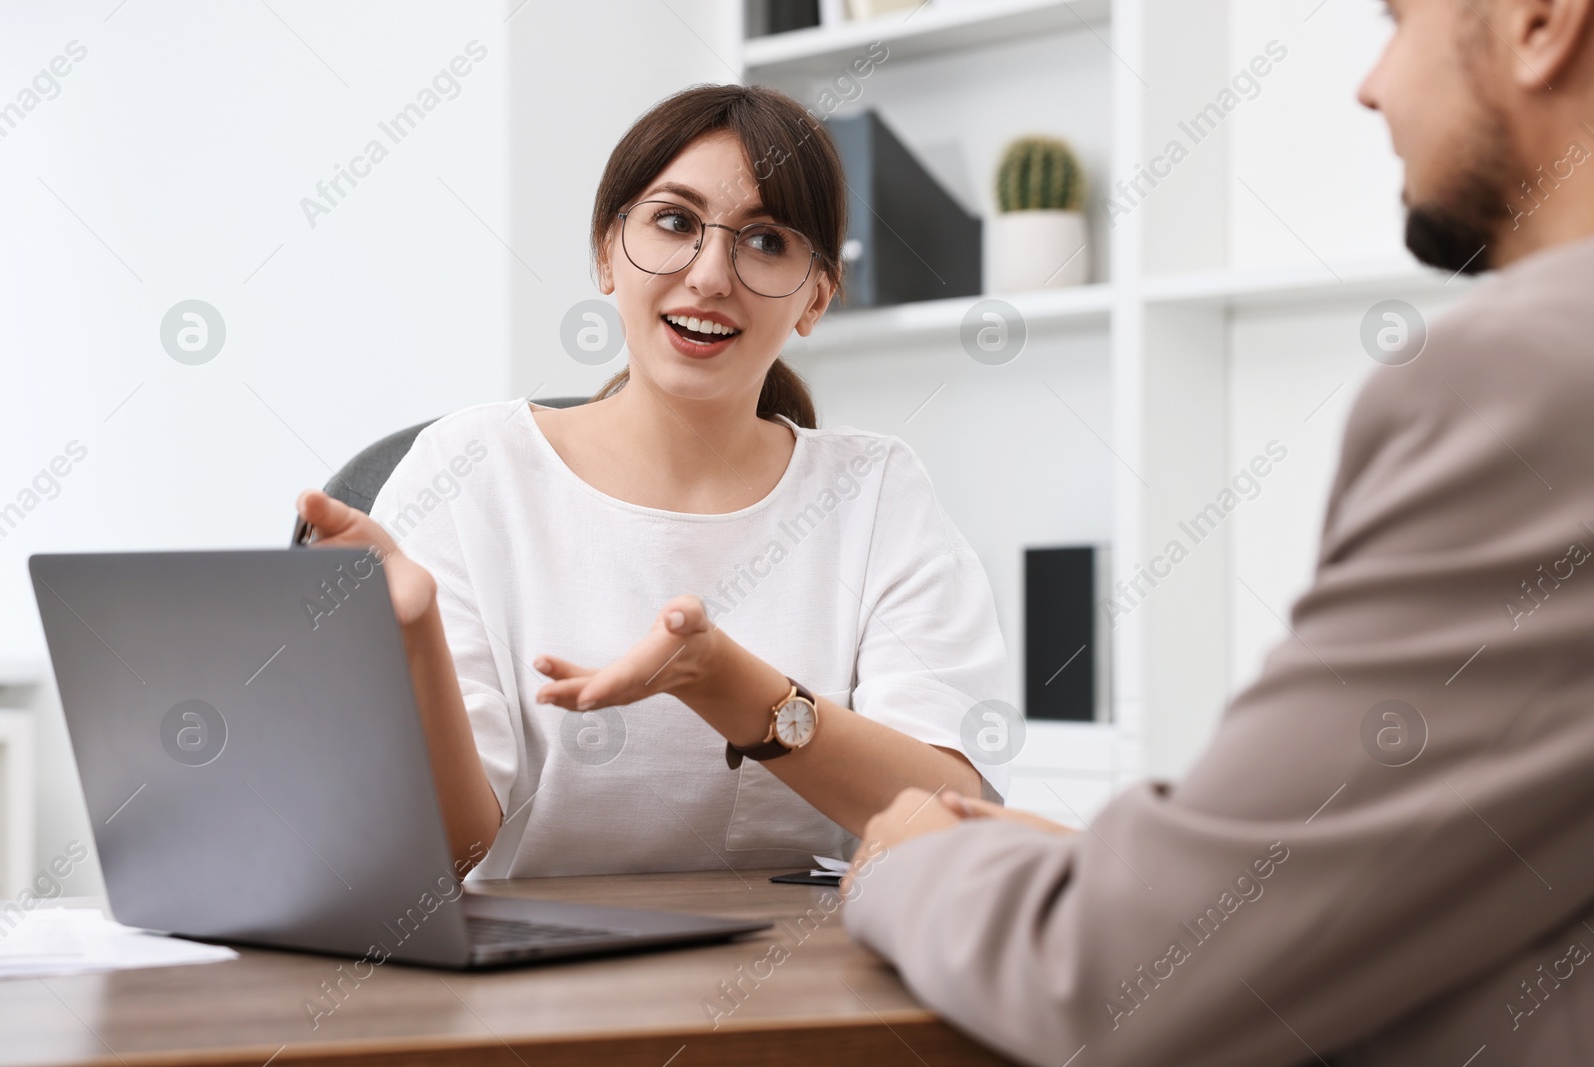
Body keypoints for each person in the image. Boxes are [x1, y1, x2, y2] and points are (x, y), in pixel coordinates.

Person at [844, 0, 1594, 1062]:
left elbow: (1112, 983)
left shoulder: (1524, 372)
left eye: (1394, 21)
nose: (1368, 84)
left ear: (1537, 23)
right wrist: (1133, 870)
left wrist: (908, 861)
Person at [292, 84, 1007, 879]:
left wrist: (730, 686)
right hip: (533, 992)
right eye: (674, 222)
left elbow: (951, 819)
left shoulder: (876, 492)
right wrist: (416, 637)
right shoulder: (468, 470)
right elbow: (447, 849)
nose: (709, 276)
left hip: (804, 980)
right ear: (607, 250)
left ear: (816, 297)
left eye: (766, 240)